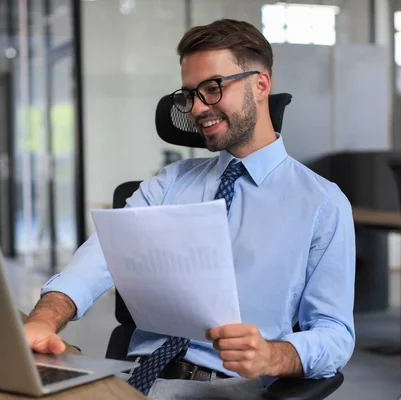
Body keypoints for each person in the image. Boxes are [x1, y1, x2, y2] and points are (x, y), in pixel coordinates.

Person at [24, 18, 356, 399]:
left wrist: (272, 356)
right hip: (134, 381)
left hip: (230, 387)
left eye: (212, 89)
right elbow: (98, 260)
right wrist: (43, 320)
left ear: (261, 85)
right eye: (189, 94)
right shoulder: (170, 183)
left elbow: (334, 334)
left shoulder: (321, 204)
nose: (197, 108)